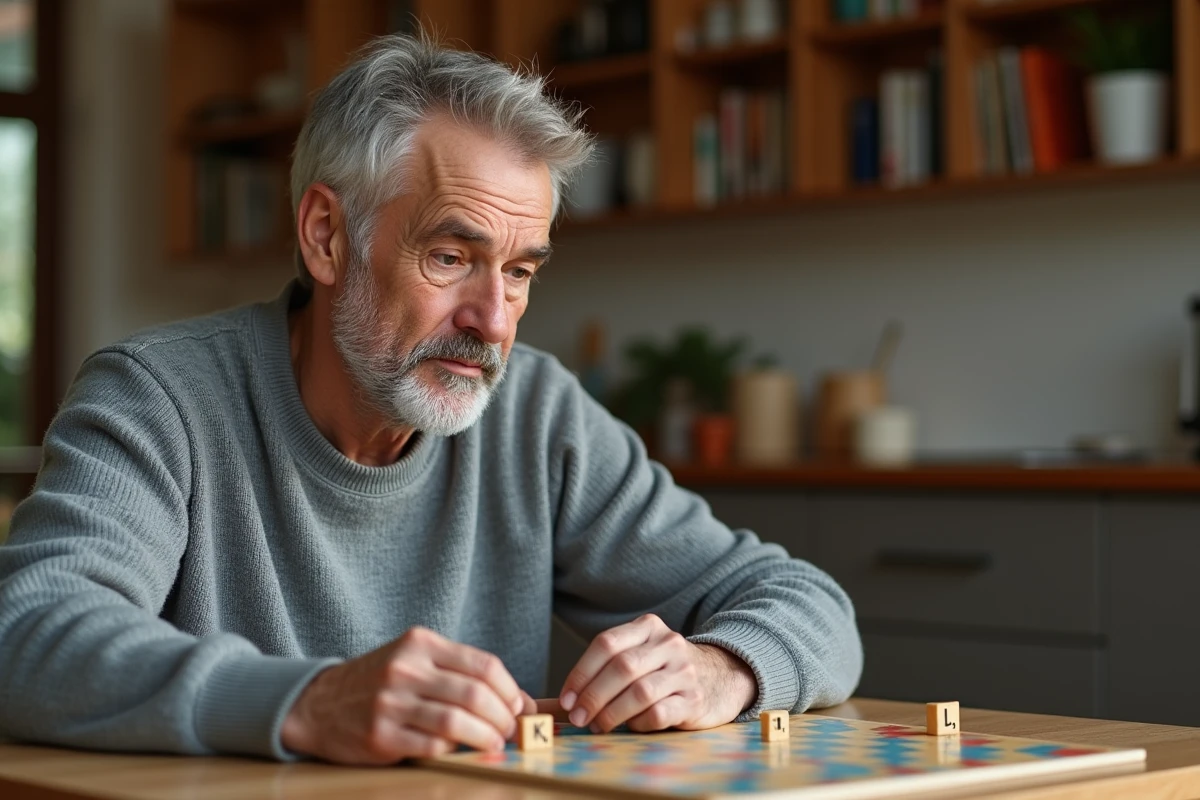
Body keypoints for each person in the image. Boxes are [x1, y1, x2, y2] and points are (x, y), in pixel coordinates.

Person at [0, 34, 862, 764]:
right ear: (328, 237)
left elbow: (809, 604)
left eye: (520, 271)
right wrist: (309, 701)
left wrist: (725, 669)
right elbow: (27, 637)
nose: (493, 322)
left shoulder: (538, 415)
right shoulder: (159, 398)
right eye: (451, 257)